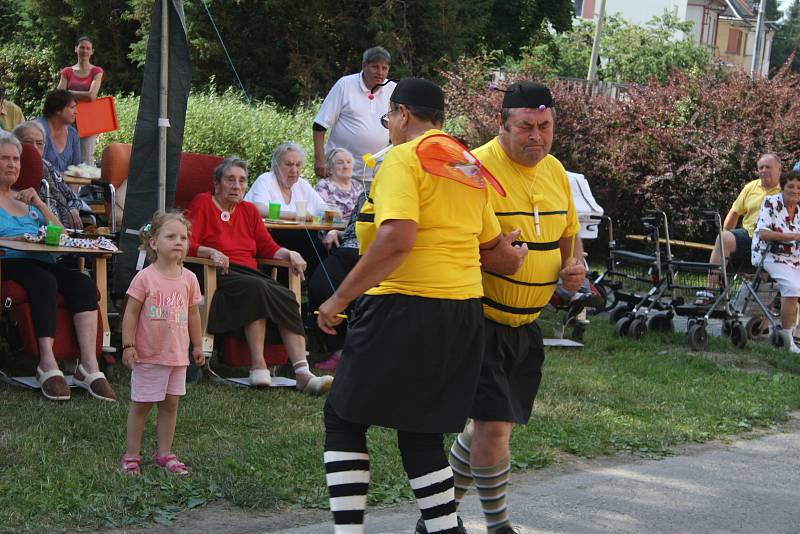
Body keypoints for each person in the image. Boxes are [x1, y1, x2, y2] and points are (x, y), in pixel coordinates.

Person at [317, 78, 510, 534]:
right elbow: (495, 250)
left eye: (388, 119)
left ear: (402, 114)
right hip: (461, 312)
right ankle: (447, 530)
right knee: (420, 432)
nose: (388, 128)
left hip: (404, 306)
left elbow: (397, 239)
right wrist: (517, 255)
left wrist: (340, 297)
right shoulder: (466, 165)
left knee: (343, 415)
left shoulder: (403, 158)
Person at [422, 82, 585, 534]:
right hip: (478, 318)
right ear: (503, 125)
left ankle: (435, 520)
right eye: (527, 127)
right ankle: (499, 527)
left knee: (487, 427)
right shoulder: (472, 170)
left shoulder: (555, 172)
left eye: (545, 127)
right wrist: (496, 258)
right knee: (495, 427)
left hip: (527, 325)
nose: (537, 136)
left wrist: (574, 271)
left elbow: (571, 238)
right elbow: (446, 244)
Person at [187, 156, 332, 394]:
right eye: (230, 180)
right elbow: (186, 242)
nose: (236, 186)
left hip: (248, 274)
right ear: (217, 183)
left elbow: (267, 246)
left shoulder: (249, 210)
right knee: (257, 288)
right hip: (216, 273)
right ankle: (258, 365)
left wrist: (289, 253)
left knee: (284, 294)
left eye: (242, 181)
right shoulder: (203, 203)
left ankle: (303, 372)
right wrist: (210, 251)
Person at [0, 134, 115, 401]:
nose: (12, 164)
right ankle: (47, 363)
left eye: (15, 159)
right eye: (4, 158)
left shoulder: (27, 200)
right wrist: (12, 239)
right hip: (9, 262)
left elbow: (61, 235)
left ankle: (88, 366)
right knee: (44, 282)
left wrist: (40, 203)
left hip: (42, 260)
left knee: (82, 283)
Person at [120, 211, 205, 475]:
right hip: (148, 355)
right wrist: (128, 345)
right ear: (154, 242)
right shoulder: (145, 277)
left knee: (170, 405)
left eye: (183, 237)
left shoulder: (189, 278)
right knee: (142, 405)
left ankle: (164, 453)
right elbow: (131, 313)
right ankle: (132, 455)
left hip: (177, 356)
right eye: (171, 236)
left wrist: (198, 345)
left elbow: (193, 313)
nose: (179, 241)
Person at [699, 153, 782, 303]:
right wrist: (725, 235)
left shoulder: (787, 189)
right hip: (749, 236)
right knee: (722, 239)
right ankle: (710, 292)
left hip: (773, 240)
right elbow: (735, 212)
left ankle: (775, 299)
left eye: (768, 167)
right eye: (761, 167)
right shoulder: (751, 187)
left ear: (779, 169)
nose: (764, 170)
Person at [313, 46, 396, 183]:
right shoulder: (345, 85)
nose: (380, 73)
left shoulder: (392, 89)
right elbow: (320, 125)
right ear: (364, 66)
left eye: (384, 68)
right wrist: (320, 160)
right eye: (375, 67)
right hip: (340, 172)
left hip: (376, 174)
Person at [245, 142, 328, 276]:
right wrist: (295, 215)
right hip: (266, 237)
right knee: (311, 242)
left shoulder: (302, 184)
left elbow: (323, 209)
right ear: (276, 165)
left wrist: (335, 215)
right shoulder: (265, 180)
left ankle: (315, 290)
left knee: (323, 246)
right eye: (288, 164)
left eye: (298, 165)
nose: (294, 169)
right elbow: (259, 210)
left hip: (297, 237)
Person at [307, 191, 366, 371]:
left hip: (373, 254)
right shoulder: (366, 194)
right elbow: (353, 225)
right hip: (347, 249)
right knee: (320, 285)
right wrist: (335, 231)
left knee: (365, 295)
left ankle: (363, 351)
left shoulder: (404, 192)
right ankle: (338, 350)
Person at [752, 170, 800, 353]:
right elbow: (763, 233)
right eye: (791, 186)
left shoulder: (799, 211)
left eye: (799, 188)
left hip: (794, 257)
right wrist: (793, 236)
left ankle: (795, 333)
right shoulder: (771, 203)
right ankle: (788, 339)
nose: (795, 191)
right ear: (782, 187)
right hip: (769, 254)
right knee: (793, 287)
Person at [13, 121, 85, 229]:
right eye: (28, 142)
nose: (34, 147)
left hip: (63, 231)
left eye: (39, 143)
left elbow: (72, 198)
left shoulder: (47, 166)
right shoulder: (11, 169)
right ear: (15, 144)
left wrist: (73, 210)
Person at [57, 36, 104, 165]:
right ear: (76, 49)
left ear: (92, 51)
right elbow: (59, 95)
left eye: (88, 48)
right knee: (66, 154)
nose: (85, 50)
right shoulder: (67, 71)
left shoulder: (96, 71)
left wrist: (69, 92)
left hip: (88, 120)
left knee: (86, 156)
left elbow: (91, 96)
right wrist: (78, 95)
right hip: (67, 119)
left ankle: (85, 185)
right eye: (82, 47)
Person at [36, 90, 81, 174]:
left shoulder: (73, 134)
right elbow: (34, 168)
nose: (76, 112)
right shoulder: (37, 131)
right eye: (72, 107)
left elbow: (76, 171)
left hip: (65, 186)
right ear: (58, 110)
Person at [314, 148, 364, 221]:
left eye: (349, 162)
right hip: (332, 229)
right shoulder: (324, 186)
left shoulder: (358, 186)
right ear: (330, 169)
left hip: (356, 229)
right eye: (340, 163)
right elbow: (318, 213)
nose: (346, 166)